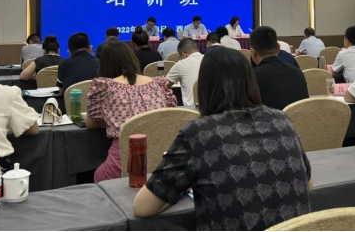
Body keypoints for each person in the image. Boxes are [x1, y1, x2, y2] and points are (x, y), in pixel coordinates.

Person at [133, 47, 313, 231]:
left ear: (204, 87)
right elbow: (308, 183)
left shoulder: (199, 132)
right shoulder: (282, 119)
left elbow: (142, 207)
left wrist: (177, 186)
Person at [87, 41, 177, 183]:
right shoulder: (158, 84)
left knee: (96, 175)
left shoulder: (105, 87)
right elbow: (168, 115)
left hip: (123, 164)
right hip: (161, 163)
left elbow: (91, 123)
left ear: (103, 64)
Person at [251, 26, 309, 110]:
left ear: (253, 52)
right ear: (278, 47)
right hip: (298, 118)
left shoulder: (251, 77)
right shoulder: (298, 72)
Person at [165, 39, 203, 107]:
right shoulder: (210, 59)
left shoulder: (181, 64)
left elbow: (164, 86)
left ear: (184, 54)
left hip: (191, 109)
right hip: (214, 109)